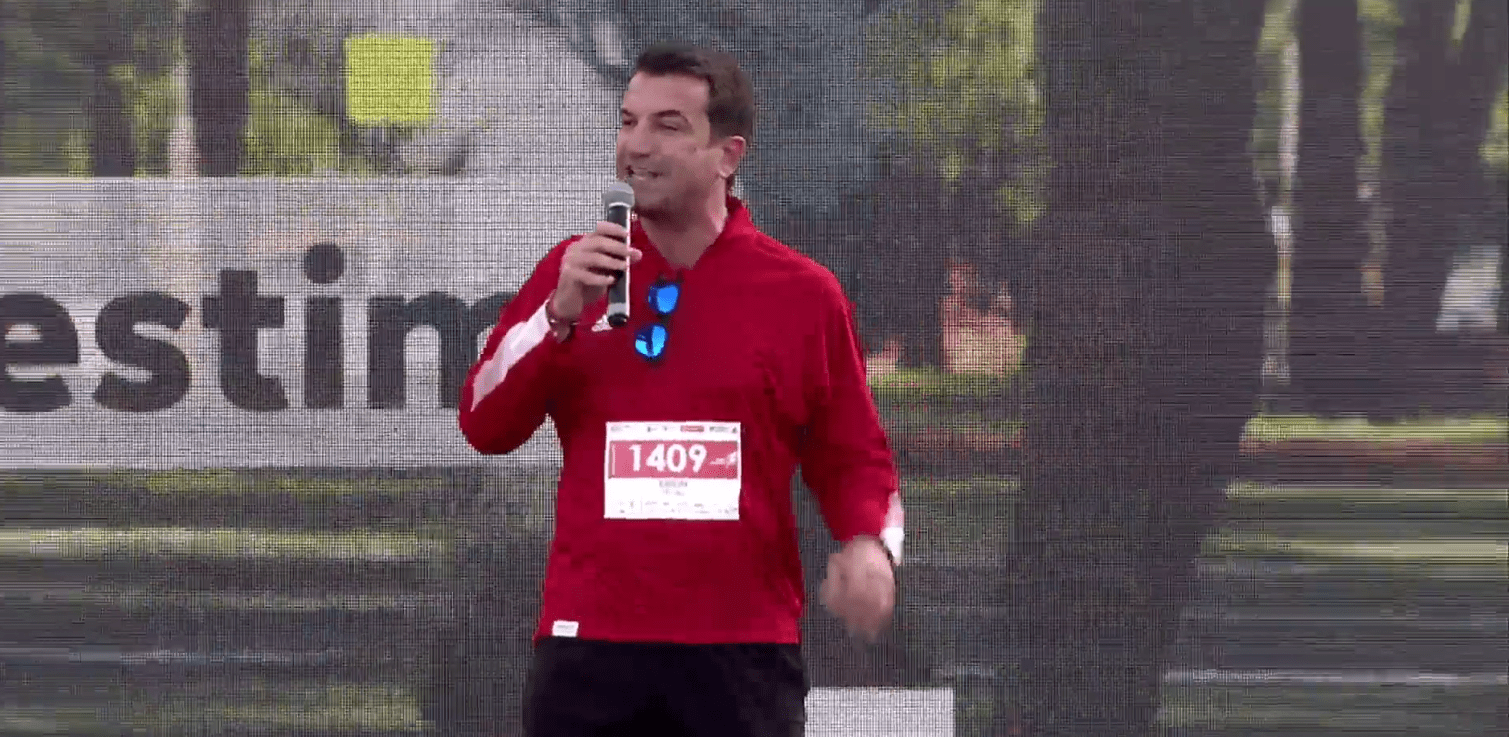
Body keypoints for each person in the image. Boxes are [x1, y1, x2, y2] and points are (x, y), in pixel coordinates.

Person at [457, 41, 905, 736]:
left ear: (727, 155)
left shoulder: (803, 294)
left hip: (742, 654)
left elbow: (854, 455)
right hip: (589, 649)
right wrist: (557, 316)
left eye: (667, 126)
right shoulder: (570, 275)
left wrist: (872, 544)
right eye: (627, 121)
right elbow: (483, 423)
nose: (636, 145)